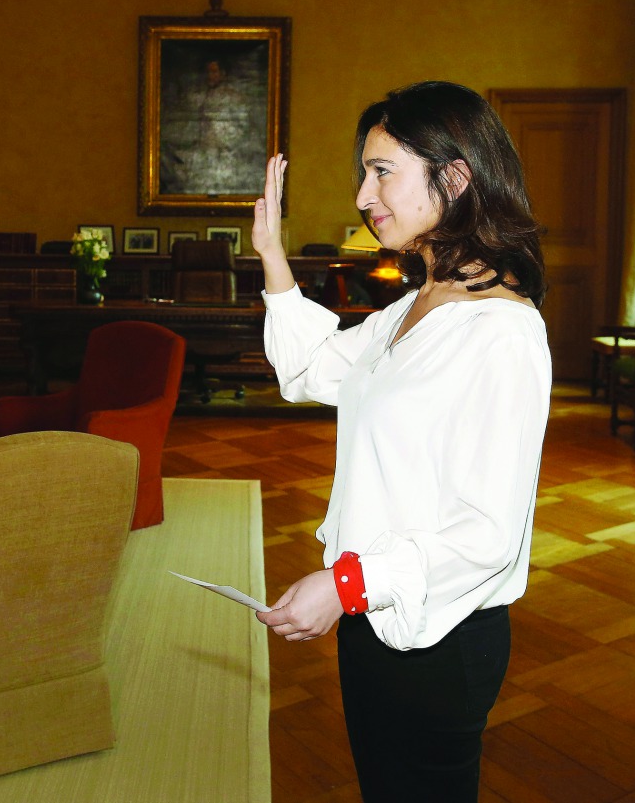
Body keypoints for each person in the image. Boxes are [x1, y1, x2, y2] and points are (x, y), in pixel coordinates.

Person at [250, 81, 551, 802]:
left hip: (439, 637)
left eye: (382, 170)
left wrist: (346, 582)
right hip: (373, 620)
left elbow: (486, 533)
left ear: (454, 177)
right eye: (365, 172)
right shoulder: (417, 306)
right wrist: (272, 255)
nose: (363, 193)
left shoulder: (503, 332)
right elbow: (312, 367)